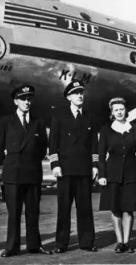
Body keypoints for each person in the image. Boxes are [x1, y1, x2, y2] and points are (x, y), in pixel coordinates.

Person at [0, 85, 53, 257]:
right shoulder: (5, 121)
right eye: (23, 99)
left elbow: (42, 147)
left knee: (33, 212)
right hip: (13, 173)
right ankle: (12, 247)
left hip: (32, 173)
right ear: (15, 101)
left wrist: (31, 160)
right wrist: (7, 163)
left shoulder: (38, 122)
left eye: (29, 99)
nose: (26, 102)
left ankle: (34, 245)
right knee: (14, 213)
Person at [49, 80, 98, 253]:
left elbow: (94, 145)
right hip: (65, 169)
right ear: (69, 96)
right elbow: (53, 142)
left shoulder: (90, 117)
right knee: (64, 208)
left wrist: (95, 166)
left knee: (85, 207)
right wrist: (55, 164)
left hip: (84, 169)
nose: (79, 96)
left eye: (81, 93)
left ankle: (87, 242)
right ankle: (61, 244)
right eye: (76, 93)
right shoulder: (59, 116)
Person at [98, 97, 136, 253]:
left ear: (126, 111)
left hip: (132, 173)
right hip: (112, 173)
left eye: (121, 109)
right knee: (115, 209)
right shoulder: (106, 130)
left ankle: (127, 242)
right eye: (116, 110)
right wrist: (102, 174)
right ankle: (119, 242)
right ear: (112, 113)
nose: (119, 112)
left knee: (129, 209)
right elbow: (101, 155)